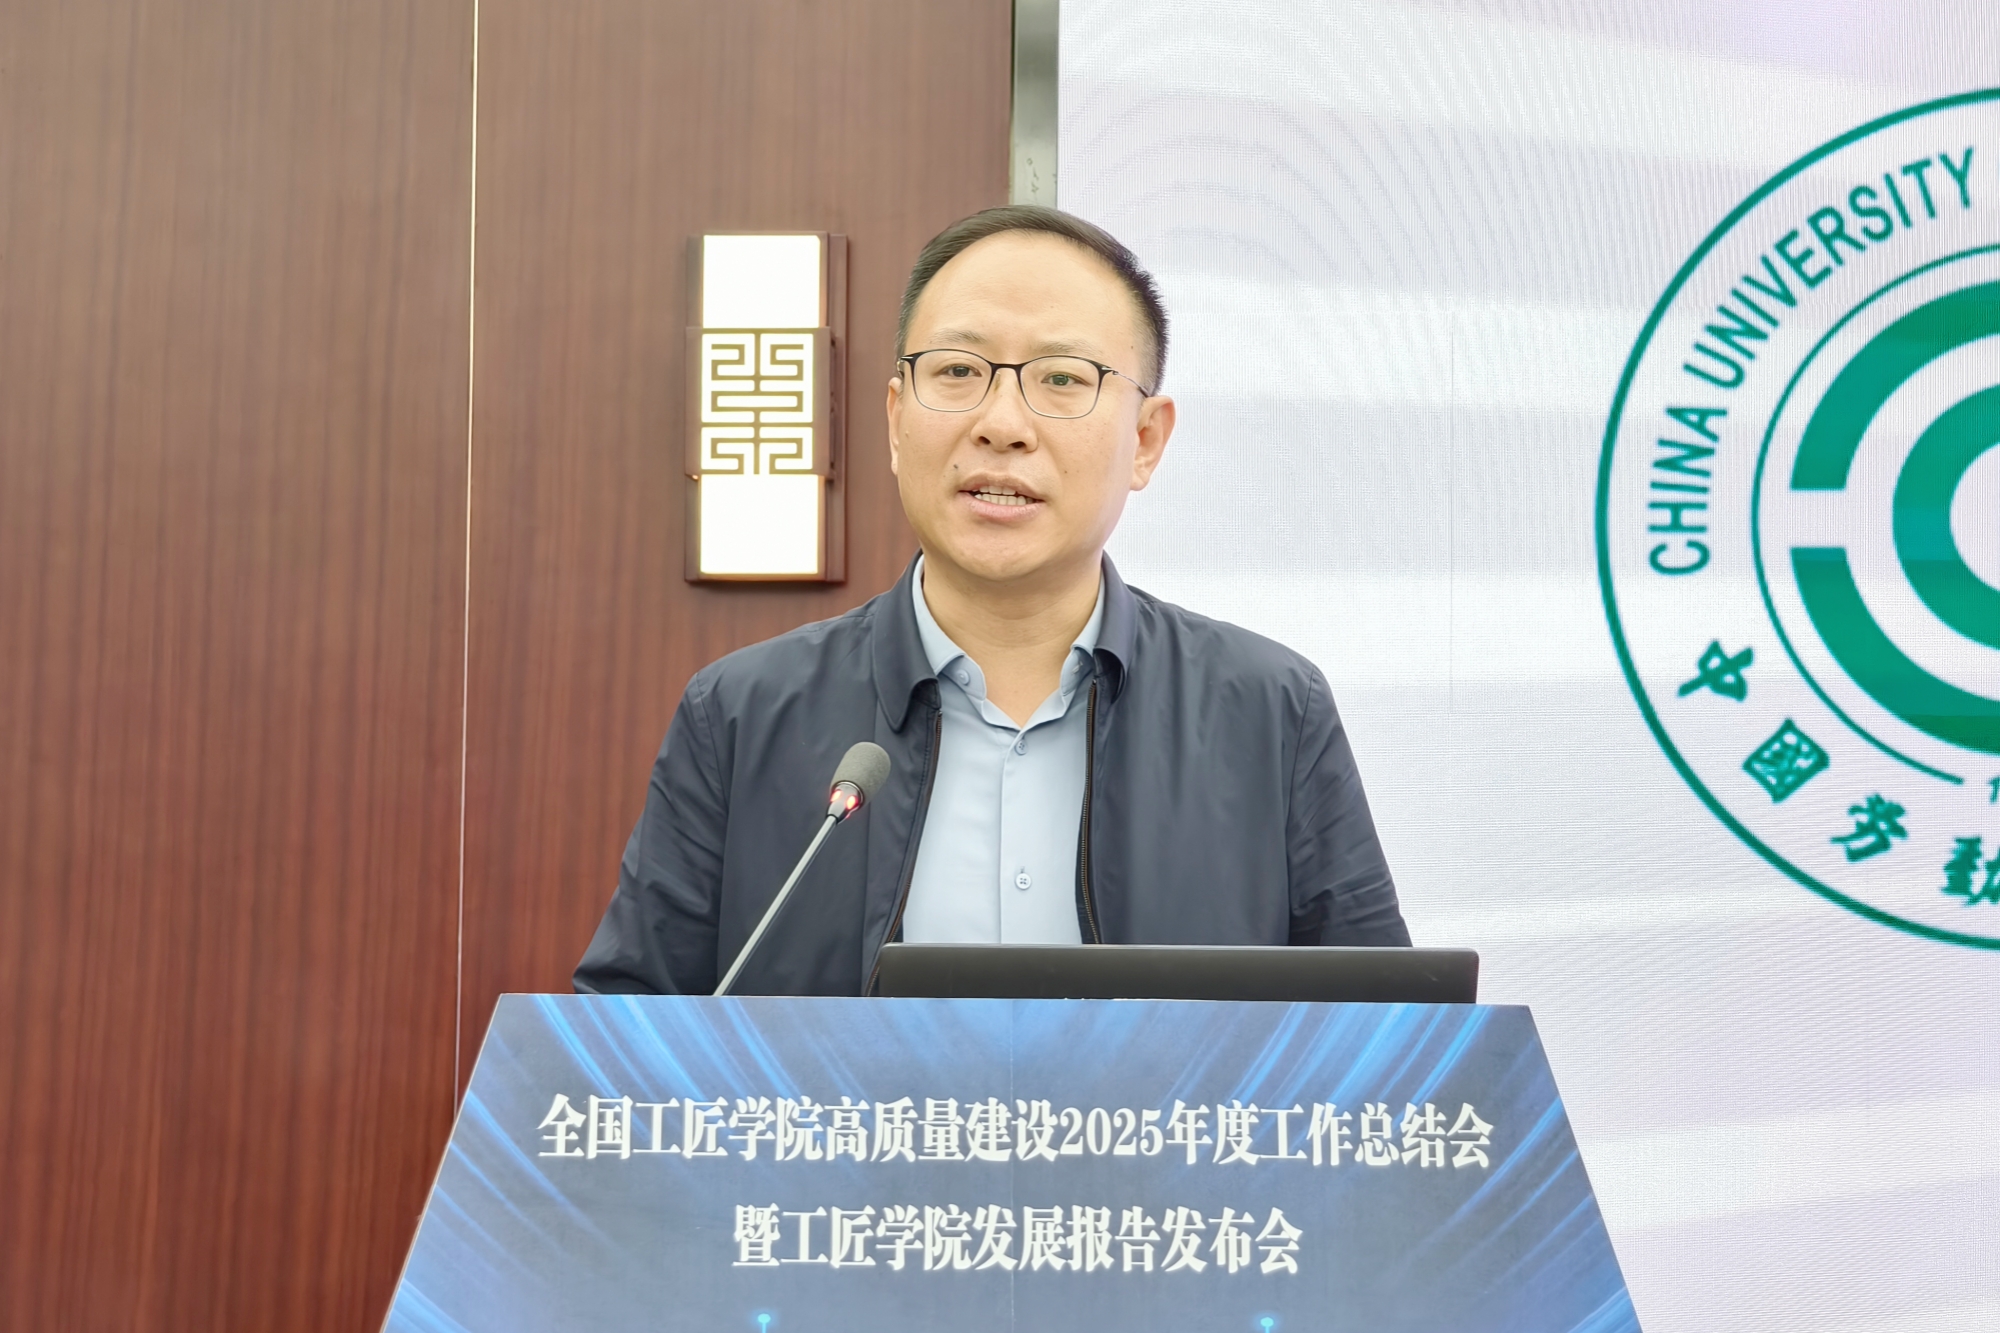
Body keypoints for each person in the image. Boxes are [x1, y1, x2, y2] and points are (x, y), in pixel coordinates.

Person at [575, 206, 1408, 996]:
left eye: (1062, 377)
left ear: (1146, 440)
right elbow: (620, 1040)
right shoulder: (742, 714)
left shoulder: (1269, 712)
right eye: (958, 371)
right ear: (896, 420)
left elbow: (1394, 1044)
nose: (1002, 423)